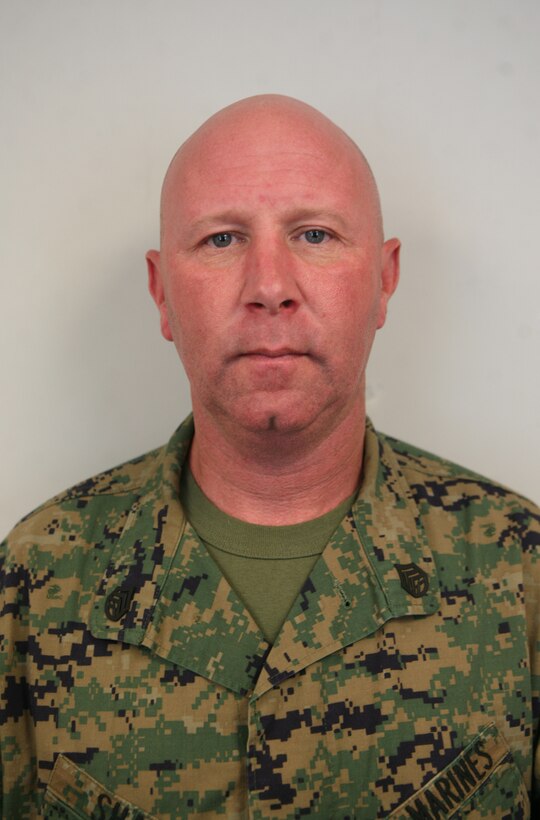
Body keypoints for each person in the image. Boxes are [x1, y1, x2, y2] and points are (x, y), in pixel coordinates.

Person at [1, 95, 538, 819]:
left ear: (384, 279)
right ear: (161, 293)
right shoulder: (36, 581)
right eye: (221, 240)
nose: (270, 287)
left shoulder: (518, 568)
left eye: (314, 234)